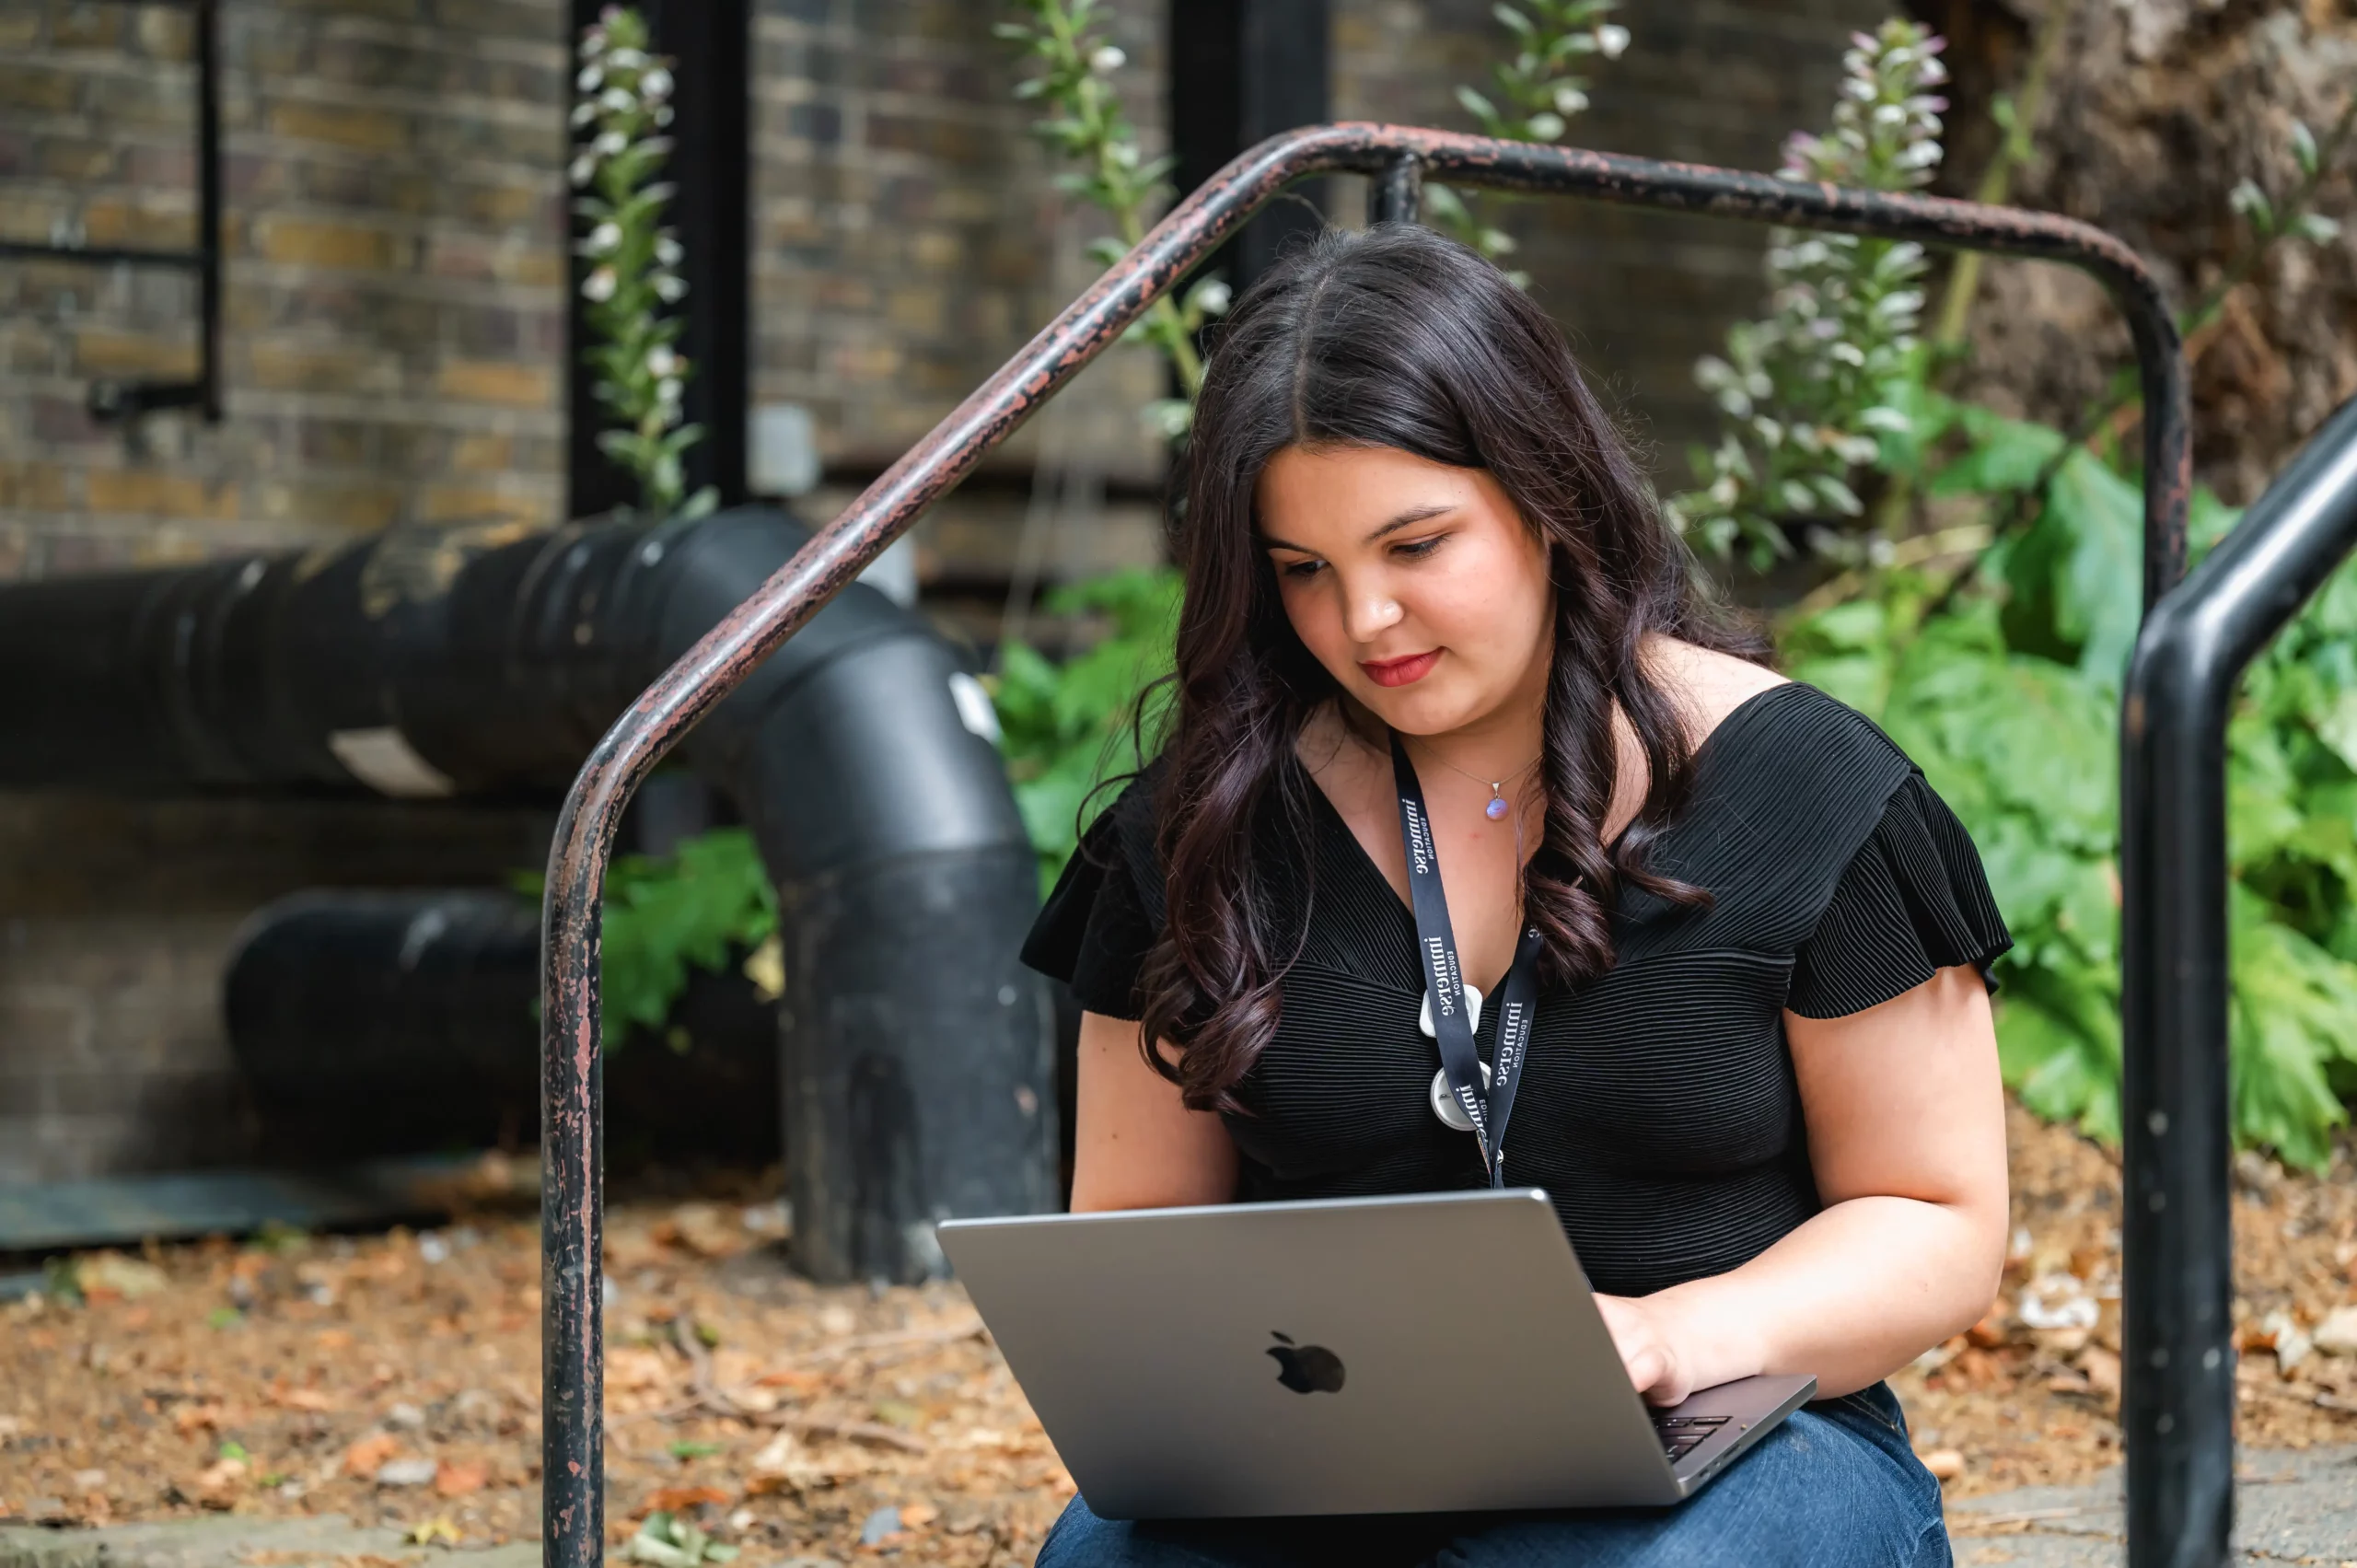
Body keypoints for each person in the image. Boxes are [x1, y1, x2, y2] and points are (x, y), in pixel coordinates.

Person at [1020, 223, 2008, 1568]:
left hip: (1740, 1446)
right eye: (1302, 570)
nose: (1364, 620)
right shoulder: (1202, 827)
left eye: (1415, 544)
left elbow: (1938, 1218)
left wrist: (1669, 1336)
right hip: (1334, 1462)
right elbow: (1133, 1247)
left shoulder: (1807, 789)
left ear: (1546, 494)